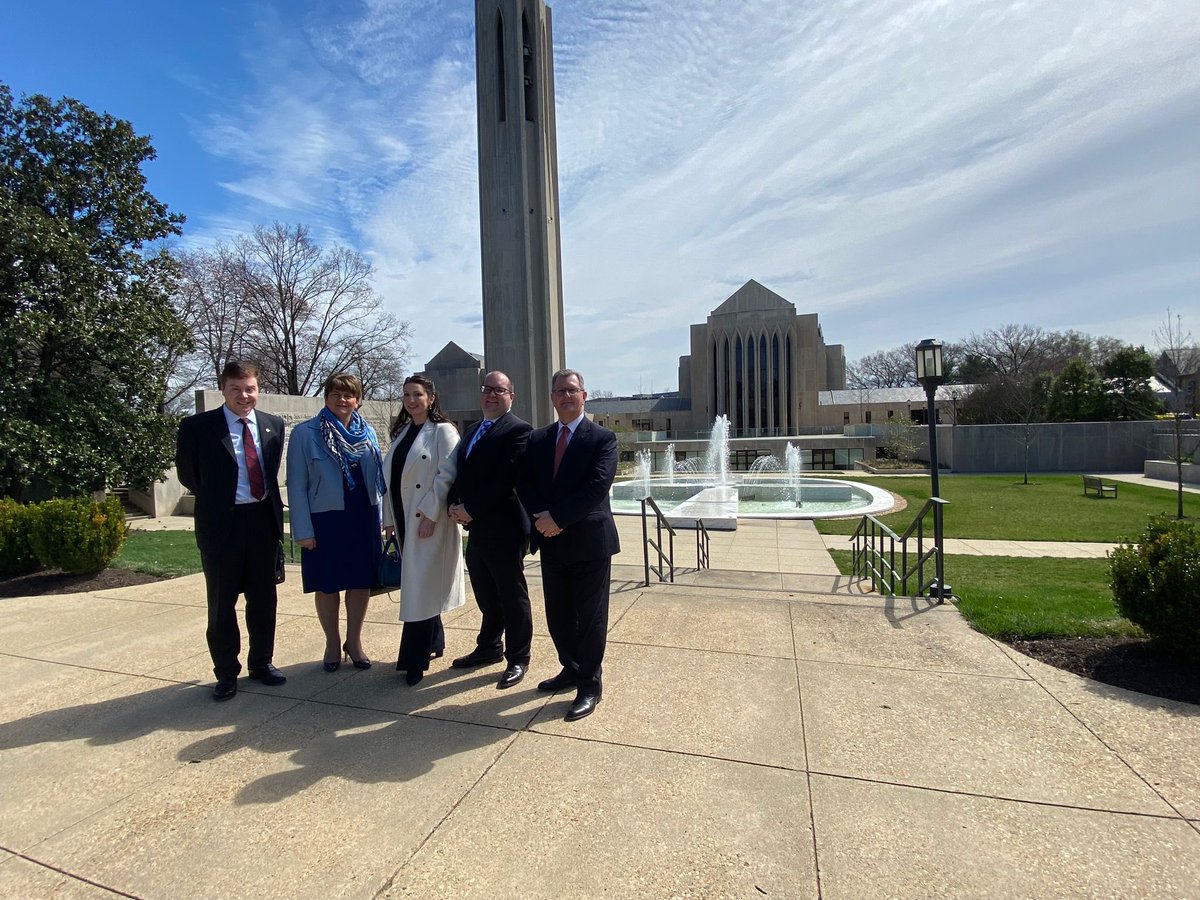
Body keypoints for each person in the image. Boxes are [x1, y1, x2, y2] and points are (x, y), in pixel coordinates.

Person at [175, 360, 287, 701]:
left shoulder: (272, 425)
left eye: (250, 388)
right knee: (222, 603)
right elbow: (188, 474)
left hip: (262, 522)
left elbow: (269, 472)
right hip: (222, 525)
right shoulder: (198, 427)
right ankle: (226, 672)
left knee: (264, 600)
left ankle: (262, 663)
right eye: (236, 389)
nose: (244, 395)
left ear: (258, 389)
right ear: (223, 389)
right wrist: (220, 499)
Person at [516, 369, 619, 721]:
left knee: (590, 618)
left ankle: (589, 684)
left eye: (571, 390)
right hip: (551, 540)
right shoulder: (539, 439)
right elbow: (524, 482)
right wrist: (541, 518)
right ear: (552, 398)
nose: (565, 396)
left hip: (590, 542)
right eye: (559, 390)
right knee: (559, 616)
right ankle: (570, 668)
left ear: (583, 395)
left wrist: (556, 518)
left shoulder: (602, 438)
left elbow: (596, 487)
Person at [287, 373, 385, 672]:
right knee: (328, 585)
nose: (343, 400)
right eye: (336, 394)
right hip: (325, 519)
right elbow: (296, 484)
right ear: (326, 397)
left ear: (358, 400)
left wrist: (383, 520)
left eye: (349, 395)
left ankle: (354, 642)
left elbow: (378, 479)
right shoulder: (306, 433)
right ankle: (332, 642)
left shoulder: (366, 432)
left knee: (360, 583)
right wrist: (302, 530)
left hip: (362, 516)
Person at [447, 371, 533, 689]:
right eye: (486, 389)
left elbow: (505, 479)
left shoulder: (518, 430)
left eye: (499, 390)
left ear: (511, 396)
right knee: (485, 591)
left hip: (506, 527)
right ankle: (489, 647)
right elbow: (461, 473)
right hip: (478, 528)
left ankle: (518, 657)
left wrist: (471, 508)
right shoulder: (472, 431)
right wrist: (454, 504)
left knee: (512, 596)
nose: (491, 395)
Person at [382, 374, 466, 685]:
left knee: (420, 589)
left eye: (417, 394)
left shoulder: (443, 432)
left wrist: (431, 513)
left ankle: (414, 661)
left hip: (430, 521)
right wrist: (388, 518)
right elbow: (391, 481)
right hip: (405, 521)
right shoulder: (402, 431)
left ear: (431, 398)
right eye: (406, 394)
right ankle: (434, 642)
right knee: (422, 585)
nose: (411, 400)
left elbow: (448, 475)